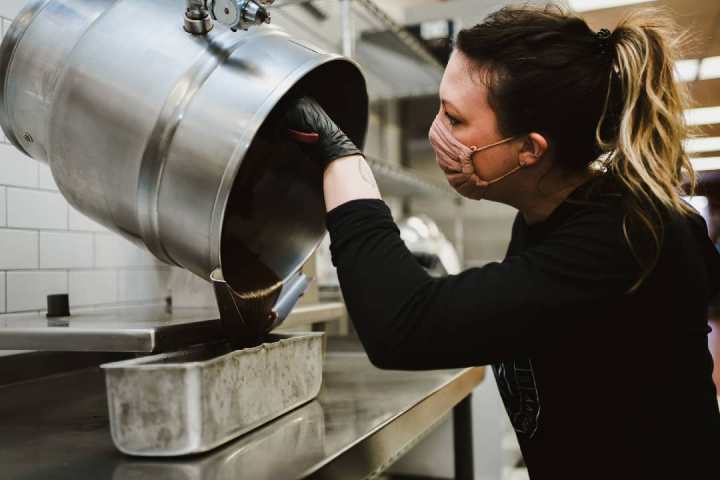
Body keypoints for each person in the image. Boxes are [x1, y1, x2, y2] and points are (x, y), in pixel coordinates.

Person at [284, 4, 720, 478]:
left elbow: (403, 327)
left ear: (529, 150)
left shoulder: (629, 237)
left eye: (454, 119)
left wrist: (343, 162)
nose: (437, 132)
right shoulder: (544, 216)